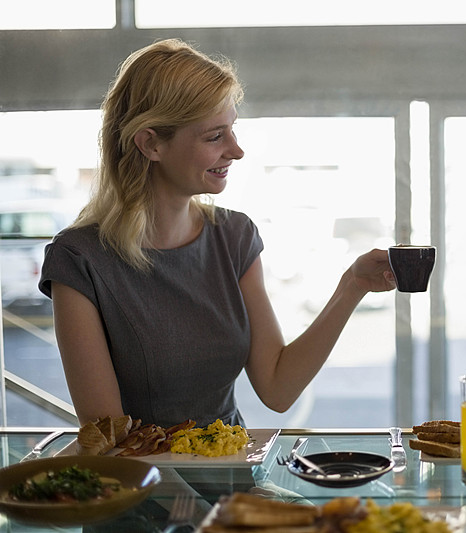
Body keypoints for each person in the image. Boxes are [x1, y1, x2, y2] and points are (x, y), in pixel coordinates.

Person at [38, 38, 396, 429]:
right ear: (151, 143)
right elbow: (107, 433)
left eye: (232, 130)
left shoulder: (235, 237)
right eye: (214, 136)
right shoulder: (79, 259)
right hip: (143, 468)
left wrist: (352, 286)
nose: (237, 150)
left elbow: (278, 388)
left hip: (232, 464)